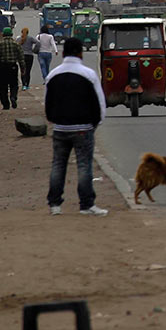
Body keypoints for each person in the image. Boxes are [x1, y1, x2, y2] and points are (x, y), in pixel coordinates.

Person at [44, 37, 109, 216]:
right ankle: (86, 205)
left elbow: (47, 103)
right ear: (81, 53)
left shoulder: (53, 75)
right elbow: (100, 103)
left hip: (60, 128)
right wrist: (95, 123)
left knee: (58, 165)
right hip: (83, 128)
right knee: (84, 165)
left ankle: (55, 205)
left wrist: (54, 120)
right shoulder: (88, 74)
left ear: (63, 53)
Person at [0, 26, 24, 109]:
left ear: (3, 35)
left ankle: (6, 104)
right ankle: (13, 97)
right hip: (13, 66)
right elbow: (21, 58)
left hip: (2, 67)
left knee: (2, 86)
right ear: (11, 35)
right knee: (14, 84)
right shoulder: (16, 44)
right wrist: (23, 69)